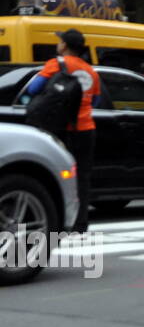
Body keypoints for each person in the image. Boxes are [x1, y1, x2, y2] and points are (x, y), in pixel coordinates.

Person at [24, 28, 102, 232]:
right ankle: (81, 222)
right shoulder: (91, 71)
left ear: (65, 45)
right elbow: (96, 99)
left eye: (60, 41)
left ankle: (57, 218)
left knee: (56, 172)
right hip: (85, 129)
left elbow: (33, 89)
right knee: (82, 176)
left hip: (59, 129)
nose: (57, 44)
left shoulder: (56, 64)